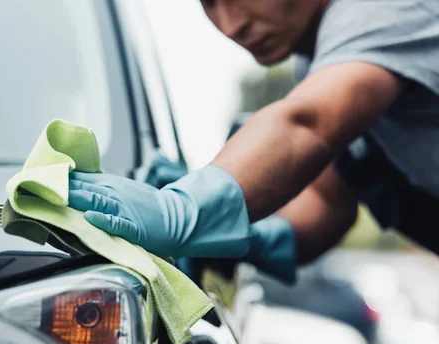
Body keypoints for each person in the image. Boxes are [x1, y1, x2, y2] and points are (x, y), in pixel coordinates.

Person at [68, 0, 439, 284]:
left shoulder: (384, 12)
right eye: (209, 2)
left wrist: (183, 210)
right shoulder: (320, 62)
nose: (231, 24)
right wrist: (253, 237)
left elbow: (306, 125)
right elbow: (329, 199)